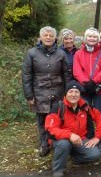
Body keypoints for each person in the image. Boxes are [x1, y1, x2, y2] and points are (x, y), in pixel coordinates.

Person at [22, 26, 72, 157]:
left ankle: (57, 144)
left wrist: (68, 93)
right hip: (39, 92)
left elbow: (67, 74)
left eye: (51, 35)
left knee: (57, 118)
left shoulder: (61, 54)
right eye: (46, 35)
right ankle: (44, 144)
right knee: (42, 120)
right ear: (41, 37)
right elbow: (26, 75)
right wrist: (29, 95)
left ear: (55, 38)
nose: (48, 37)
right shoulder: (31, 53)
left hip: (58, 92)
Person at [45, 81, 101, 177]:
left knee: (95, 154)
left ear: (80, 94)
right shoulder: (58, 107)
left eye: (76, 92)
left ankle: (72, 156)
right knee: (64, 144)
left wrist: (97, 137)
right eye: (70, 91)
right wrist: (70, 135)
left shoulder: (85, 106)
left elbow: (99, 118)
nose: (73, 94)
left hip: (80, 139)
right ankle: (58, 170)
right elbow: (50, 129)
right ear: (66, 93)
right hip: (61, 140)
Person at [73, 28, 101, 152]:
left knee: (100, 114)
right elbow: (76, 70)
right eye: (90, 36)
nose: (92, 39)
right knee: (85, 114)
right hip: (84, 89)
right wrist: (86, 82)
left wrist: (94, 82)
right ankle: (88, 138)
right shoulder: (78, 53)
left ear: (98, 39)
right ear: (85, 38)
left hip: (99, 89)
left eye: (94, 37)